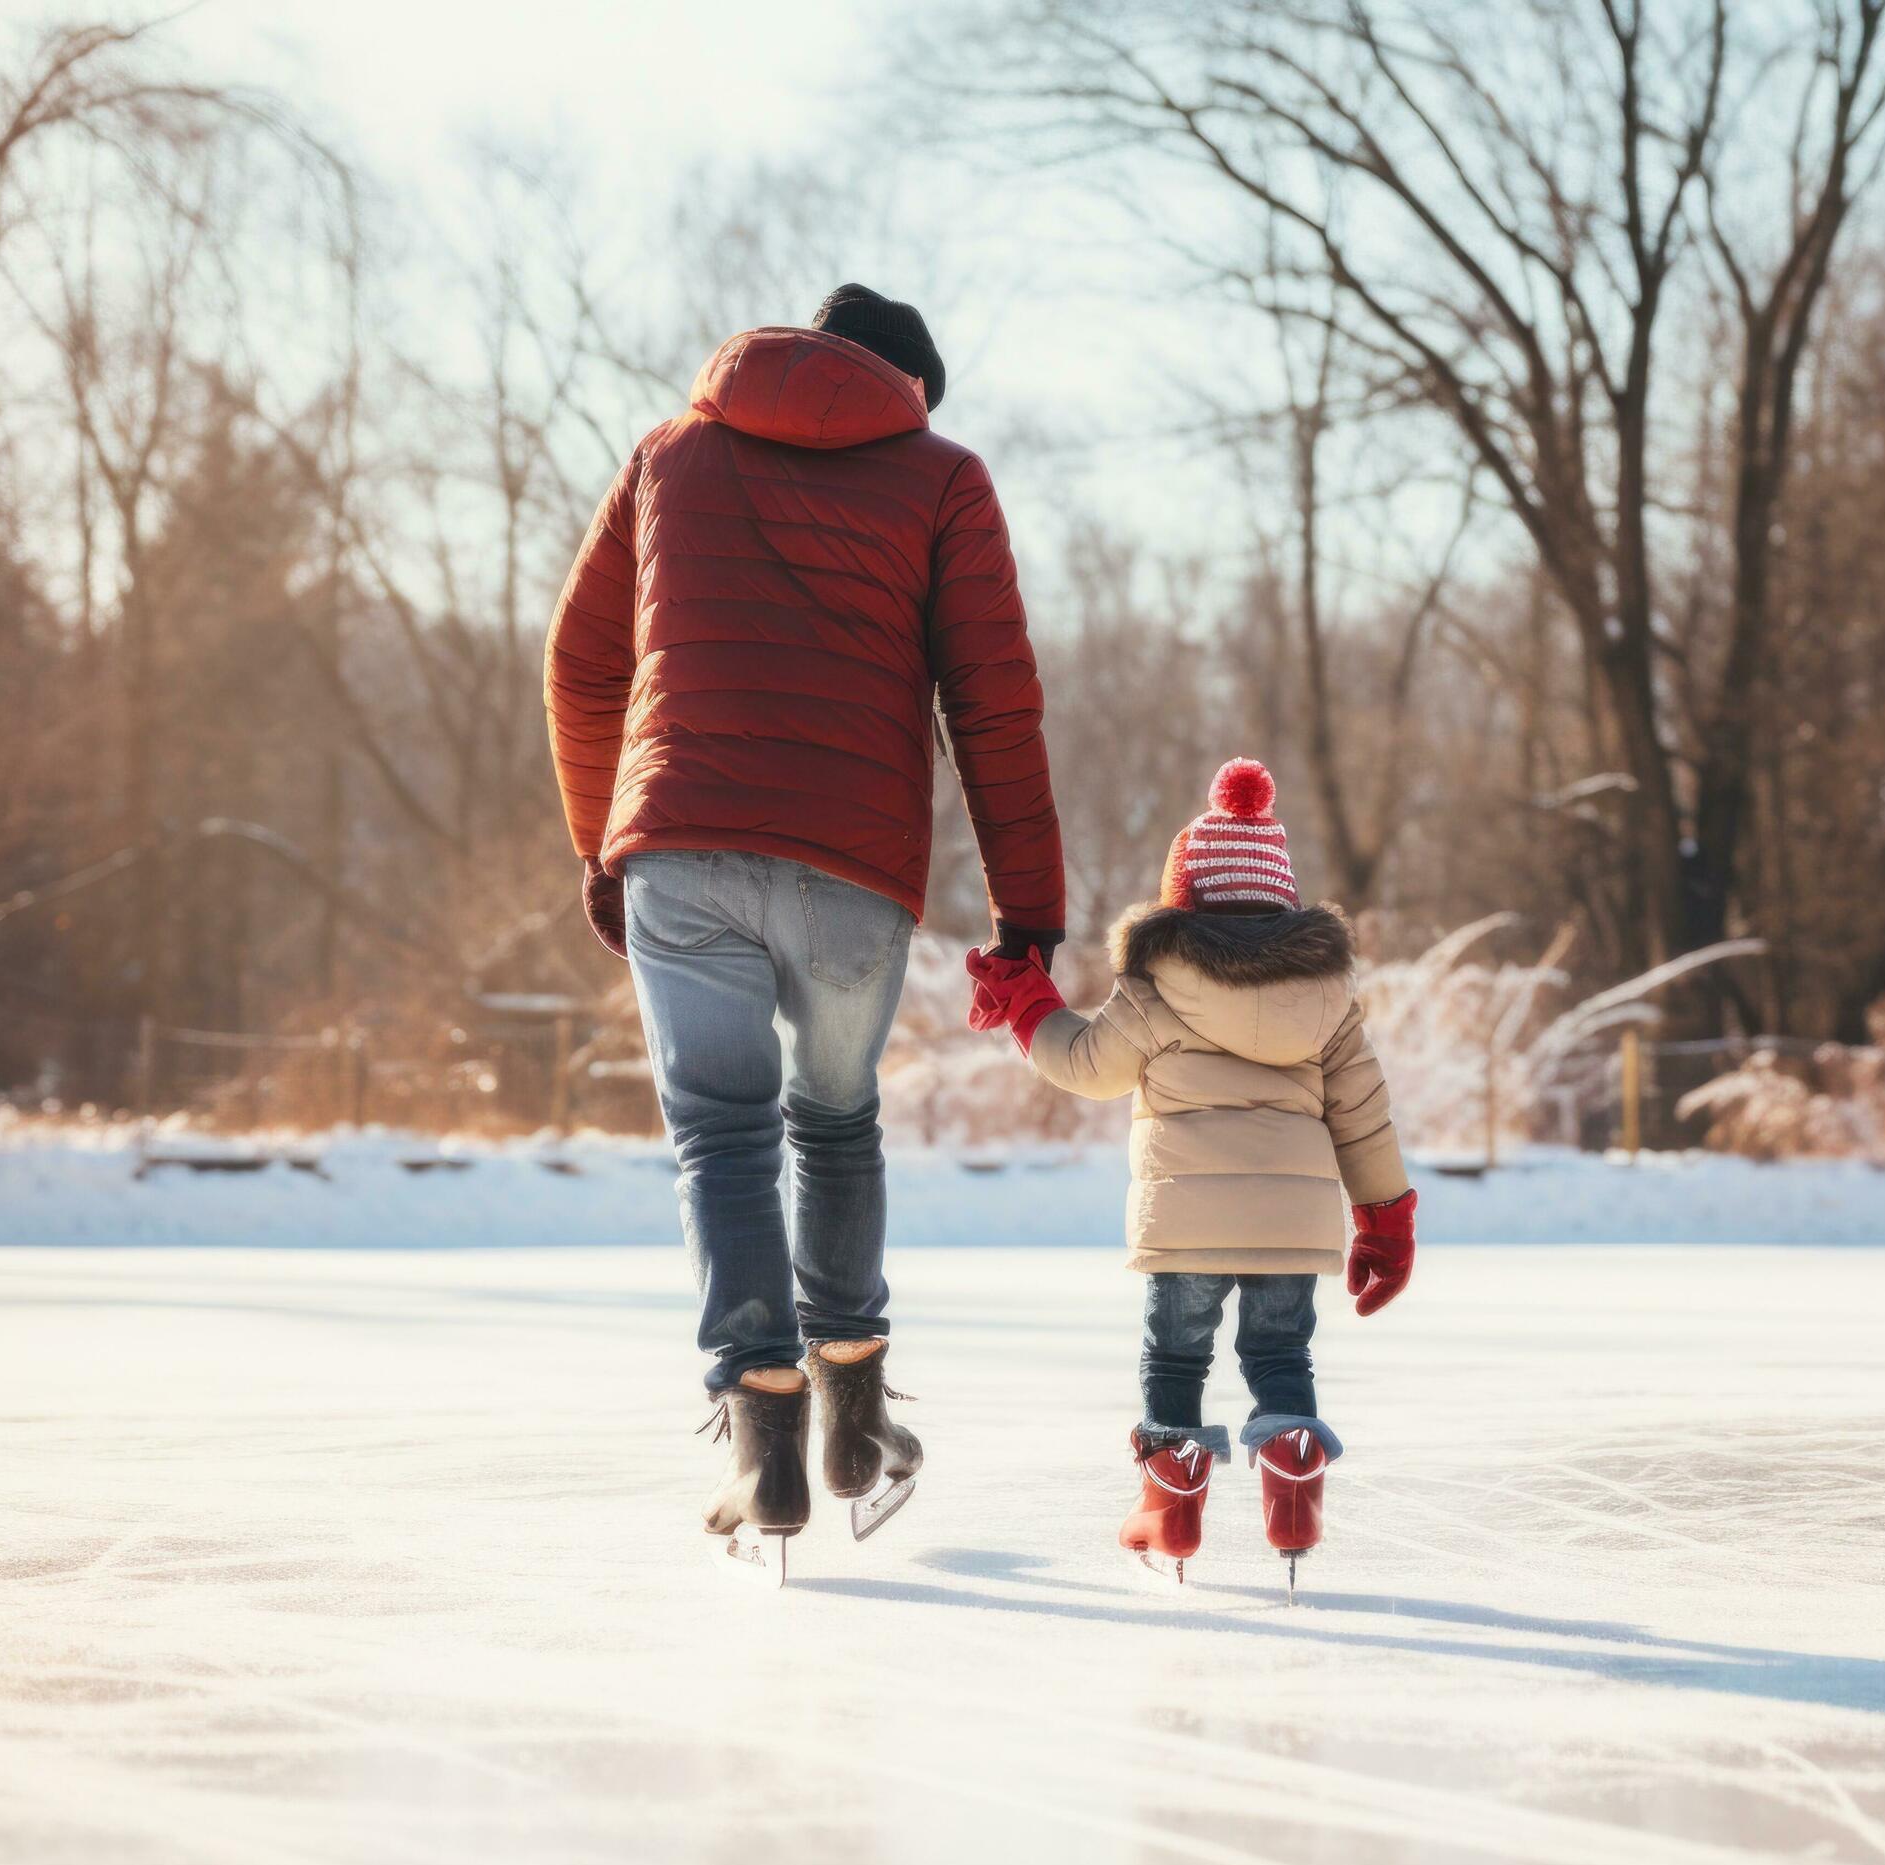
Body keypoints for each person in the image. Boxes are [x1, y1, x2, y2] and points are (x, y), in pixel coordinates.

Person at [542, 284, 1064, 1563]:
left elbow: (580, 658)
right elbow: (990, 708)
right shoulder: (942, 478)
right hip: (851, 867)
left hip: (681, 846)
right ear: (911, 393)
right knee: (833, 1121)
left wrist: (604, 846)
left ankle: (765, 1431)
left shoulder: (670, 454)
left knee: (720, 1138)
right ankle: (853, 1407)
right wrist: (1028, 917)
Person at [968, 758, 1417, 1590]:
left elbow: (1088, 1065)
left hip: (1184, 1225)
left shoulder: (1155, 985)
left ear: (1185, 899)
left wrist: (1027, 1002)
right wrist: (1385, 1220)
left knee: (1175, 1360)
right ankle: (1291, 1470)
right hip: (1292, 1227)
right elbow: (1364, 1114)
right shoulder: (1327, 999)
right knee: (1281, 1353)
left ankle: (1171, 1504)